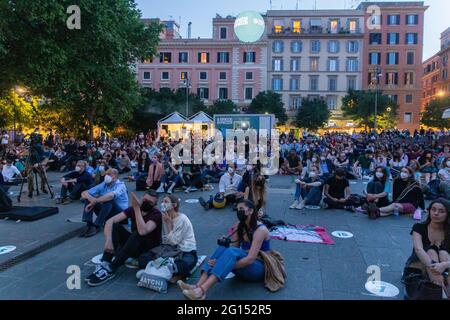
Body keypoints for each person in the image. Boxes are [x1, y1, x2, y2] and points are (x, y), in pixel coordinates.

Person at [178, 200, 270, 300]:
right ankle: (197, 286)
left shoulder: (260, 230)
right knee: (223, 248)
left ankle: (201, 291)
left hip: (258, 268)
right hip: (244, 266)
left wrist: (222, 264)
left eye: (241, 209)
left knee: (229, 253)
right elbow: (234, 247)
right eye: (238, 209)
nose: (238, 211)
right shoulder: (239, 225)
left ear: (251, 211)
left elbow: (250, 259)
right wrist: (222, 256)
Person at [86, 191, 162, 287]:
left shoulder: (156, 214)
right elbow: (110, 221)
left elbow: (143, 231)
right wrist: (108, 241)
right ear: (141, 199)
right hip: (135, 245)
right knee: (115, 226)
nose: (146, 203)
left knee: (138, 234)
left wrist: (137, 209)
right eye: (145, 200)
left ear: (154, 205)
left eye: (150, 202)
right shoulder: (133, 209)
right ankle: (105, 262)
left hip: (148, 249)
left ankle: (112, 267)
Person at [138, 195, 198, 282]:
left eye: (166, 202)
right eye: (162, 201)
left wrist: (169, 225)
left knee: (183, 264)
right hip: (167, 249)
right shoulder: (163, 216)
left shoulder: (182, 219)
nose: (162, 204)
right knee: (143, 258)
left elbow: (174, 241)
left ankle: (157, 270)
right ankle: (165, 271)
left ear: (174, 205)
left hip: (185, 250)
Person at [405, 199, 450, 298]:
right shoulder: (419, 227)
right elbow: (418, 250)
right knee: (431, 251)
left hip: (444, 267)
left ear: (447, 214)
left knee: (444, 253)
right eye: (433, 209)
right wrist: (435, 267)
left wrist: (443, 265)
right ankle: (442, 293)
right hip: (420, 265)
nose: (436, 213)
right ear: (429, 211)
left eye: (441, 211)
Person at [80, 168, 129, 238]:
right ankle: (89, 224)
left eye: (108, 174)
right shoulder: (104, 184)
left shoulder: (121, 185)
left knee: (108, 199)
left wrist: (94, 202)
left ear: (115, 176)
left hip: (120, 215)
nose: (106, 176)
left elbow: (111, 196)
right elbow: (84, 192)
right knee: (89, 199)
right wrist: (91, 199)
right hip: (107, 212)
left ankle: (97, 225)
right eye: (105, 174)